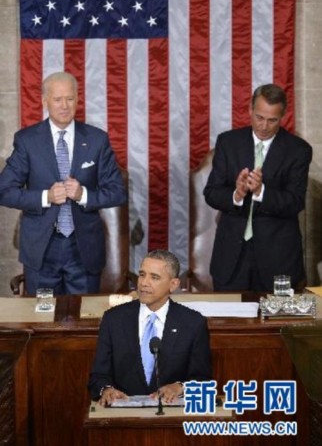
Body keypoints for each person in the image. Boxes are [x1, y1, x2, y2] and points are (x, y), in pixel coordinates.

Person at [0, 72, 127, 295]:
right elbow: (5, 191)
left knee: (84, 322)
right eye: (57, 99)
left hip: (83, 249)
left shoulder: (97, 140)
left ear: (78, 100)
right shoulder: (27, 141)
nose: (64, 106)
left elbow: (117, 192)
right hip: (41, 249)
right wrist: (45, 197)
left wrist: (84, 195)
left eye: (69, 98)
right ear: (44, 101)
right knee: (42, 320)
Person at [204, 84, 312, 293]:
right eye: (259, 117)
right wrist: (236, 194)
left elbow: (295, 202)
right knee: (229, 324)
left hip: (277, 258)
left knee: (276, 325)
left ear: (282, 116)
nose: (264, 126)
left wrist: (262, 192)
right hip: (232, 258)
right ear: (250, 111)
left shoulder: (298, 150)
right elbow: (211, 192)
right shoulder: (228, 142)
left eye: (272, 120)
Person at [88, 250, 212, 405]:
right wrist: (106, 390)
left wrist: (179, 387)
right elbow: (98, 376)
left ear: (173, 284)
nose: (144, 283)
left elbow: (203, 380)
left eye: (154, 277)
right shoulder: (114, 319)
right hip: (123, 414)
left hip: (170, 414)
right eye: (142, 274)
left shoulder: (192, 323)